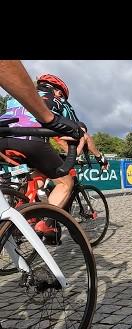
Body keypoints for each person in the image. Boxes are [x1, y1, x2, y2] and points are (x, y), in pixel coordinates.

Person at [0, 64, 83, 241]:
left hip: (3, 138)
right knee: (65, 182)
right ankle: (45, 224)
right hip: (30, 142)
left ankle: (25, 204)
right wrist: (87, 153)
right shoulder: (59, 101)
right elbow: (73, 131)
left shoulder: (15, 95)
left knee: (37, 173)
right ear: (58, 91)